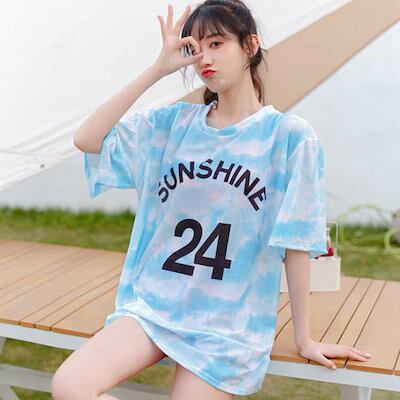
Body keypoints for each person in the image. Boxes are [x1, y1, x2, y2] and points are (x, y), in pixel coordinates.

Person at [52, 1, 372, 399]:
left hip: (228, 325)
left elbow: (296, 241)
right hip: (154, 309)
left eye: (217, 43)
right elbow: (87, 139)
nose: (204, 57)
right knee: (69, 385)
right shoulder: (172, 125)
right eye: (196, 48)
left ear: (250, 45)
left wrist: (304, 339)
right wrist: (157, 70)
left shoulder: (288, 137)